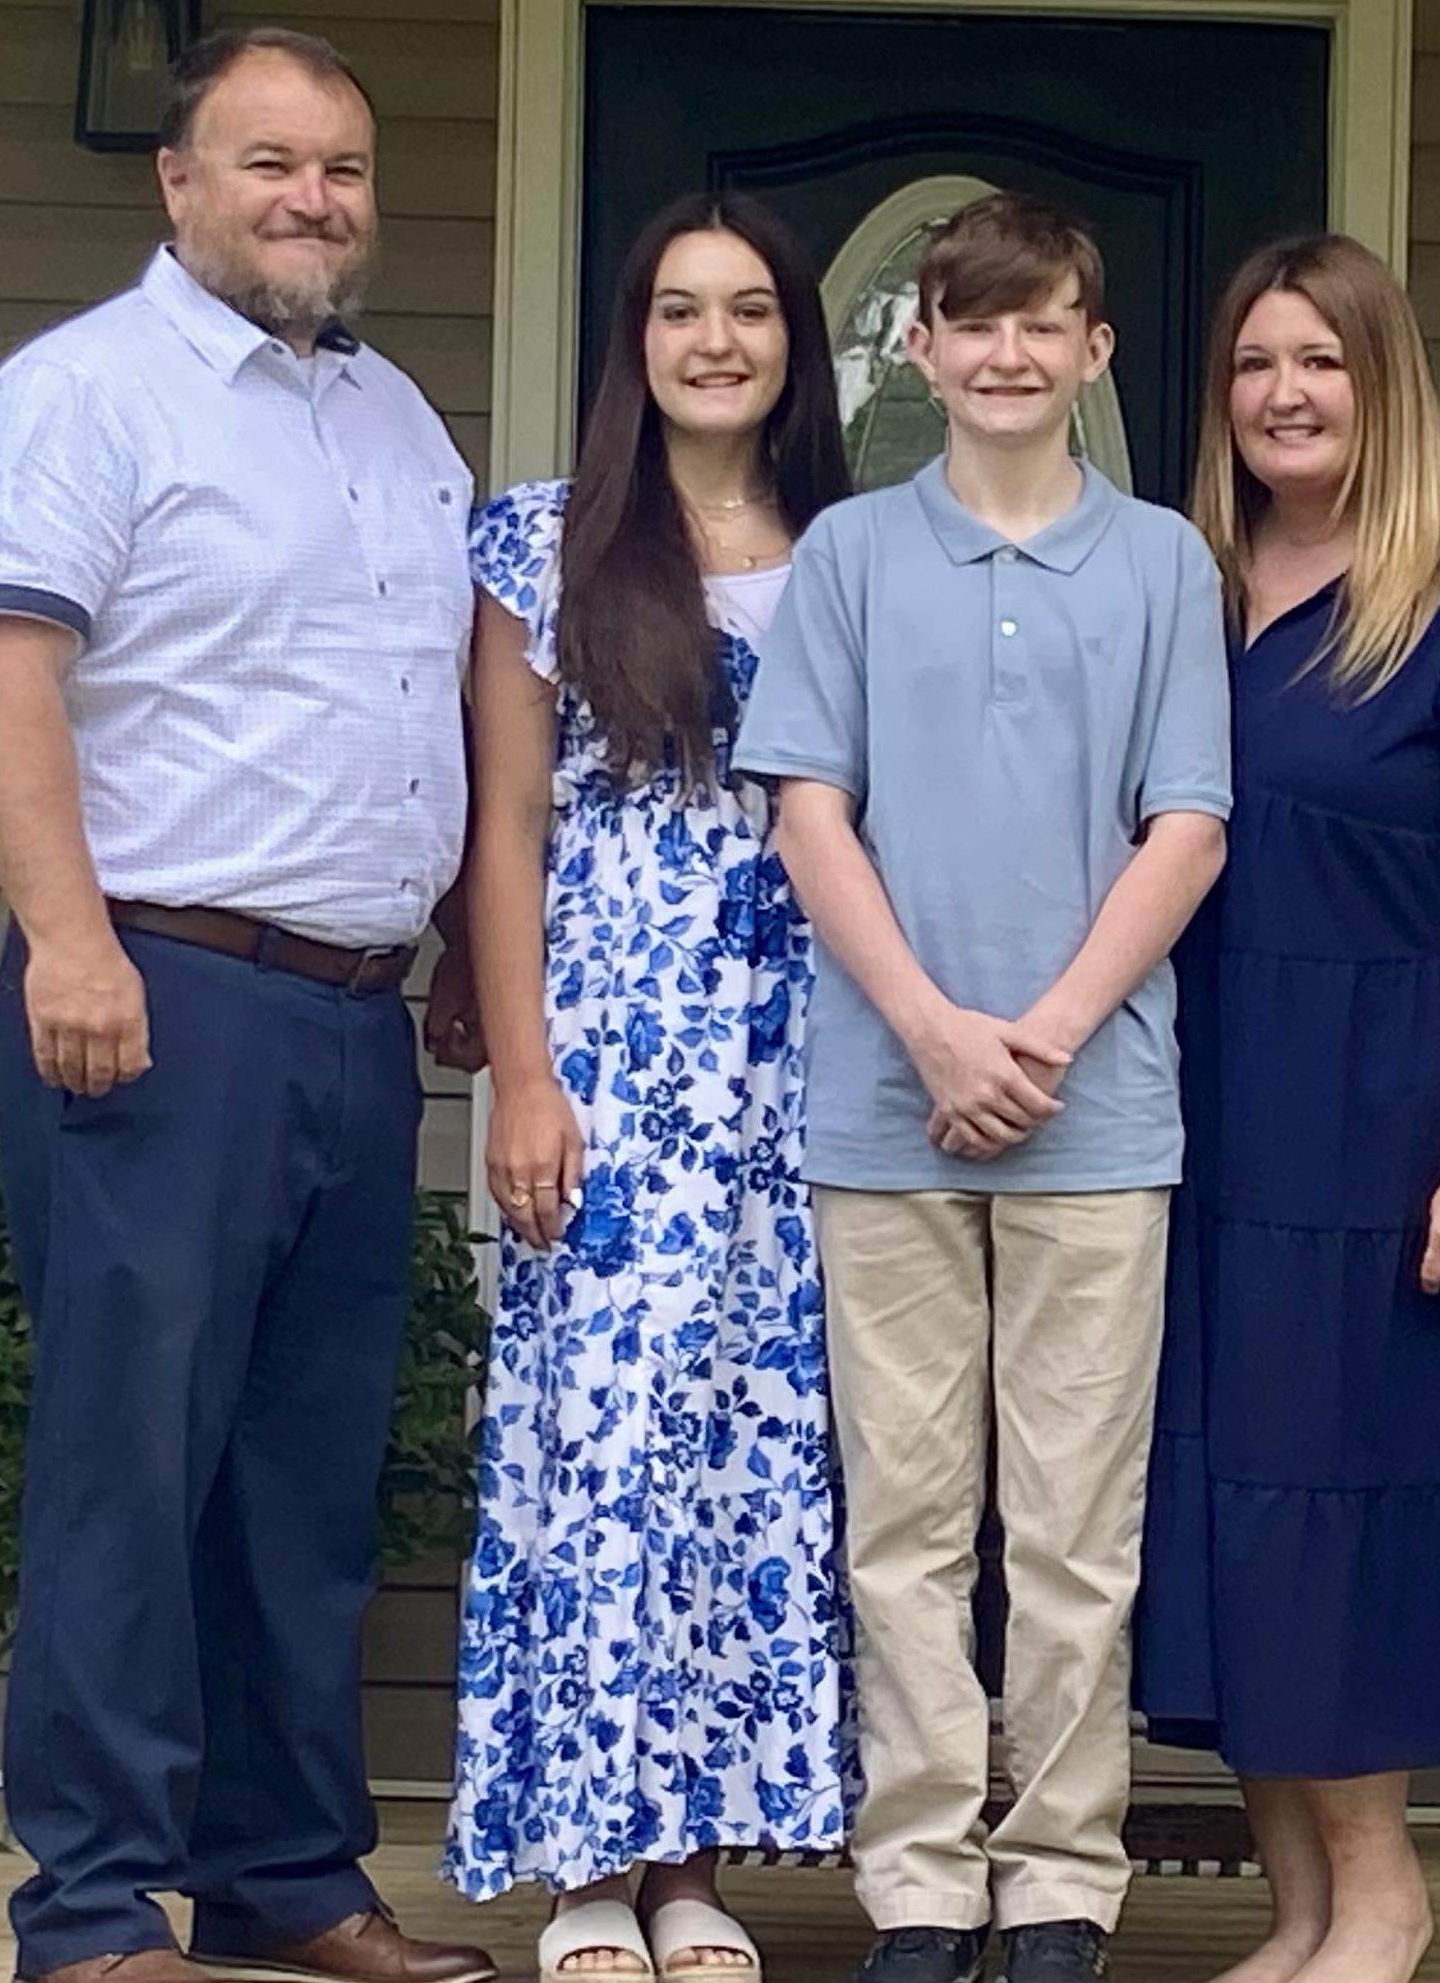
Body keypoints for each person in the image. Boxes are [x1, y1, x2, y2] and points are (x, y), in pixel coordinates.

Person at [0, 27, 493, 1983]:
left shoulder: (394, 419)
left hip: (352, 1014)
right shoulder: (86, 394)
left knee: (301, 1476)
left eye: (342, 167)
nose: (312, 200)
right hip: (156, 990)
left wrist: (452, 942)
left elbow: (423, 705)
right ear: (178, 183)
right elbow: (1, 668)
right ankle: (94, 1907)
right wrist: (67, 939)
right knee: (131, 1462)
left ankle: (284, 1873)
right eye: (270, 163)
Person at [732, 193, 1232, 1983]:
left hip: (1101, 1113)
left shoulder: (1165, 562)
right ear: (923, 347)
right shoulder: (853, 556)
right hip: (887, 1110)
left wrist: (1052, 1032)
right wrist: (938, 1030)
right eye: (975, 321)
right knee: (907, 1522)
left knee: (1080, 1528)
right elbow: (810, 810)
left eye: (1043, 323)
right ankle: (925, 1881)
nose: (1007, 353)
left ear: (1094, 350)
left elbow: (1189, 823)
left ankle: (1063, 1880)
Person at [1135, 235, 1440, 1983]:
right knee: (1228, 1500)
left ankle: (1383, 1898)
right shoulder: (1179, 592)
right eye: (1256, 362)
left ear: (1386, 382)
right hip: (1199, 1118)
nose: (1286, 394)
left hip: (1390, 1121)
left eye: (1321, 361)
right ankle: (1301, 1912)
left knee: (1340, 1499)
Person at [443, 194, 857, 1980]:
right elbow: (505, 828)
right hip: (612, 1049)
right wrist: (523, 1072)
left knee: (758, 1450)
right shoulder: (545, 541)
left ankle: (693, 1863)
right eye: (680, 309)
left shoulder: (855, 549)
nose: (715, 341)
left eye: (750, 309)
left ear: (795, 344)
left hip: (811, 1057)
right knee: (602, 1439)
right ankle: (586, 1868)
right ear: (635, 341)